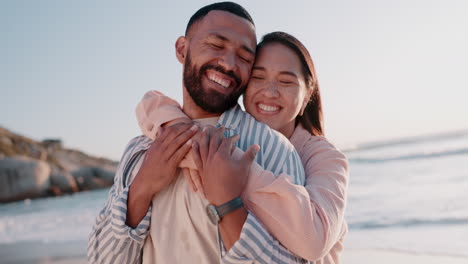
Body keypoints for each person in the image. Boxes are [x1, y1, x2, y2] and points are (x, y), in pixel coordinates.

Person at [88, 2, 309, 263]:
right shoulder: (140, 149)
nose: (228, 63)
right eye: (216, 45)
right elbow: (99, 259)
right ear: (182, 49)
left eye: (244, 58)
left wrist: (228, 204)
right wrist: (142, 188)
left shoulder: (271, 149)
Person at [136, 32, 349, 263]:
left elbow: (314, 240)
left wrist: (228, 170)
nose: (270, 92)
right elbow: (152, 102)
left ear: (307, 95)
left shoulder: (325, 157)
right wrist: (179, 129)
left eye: (286, 81)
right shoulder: (235, 133)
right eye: (258, 78)